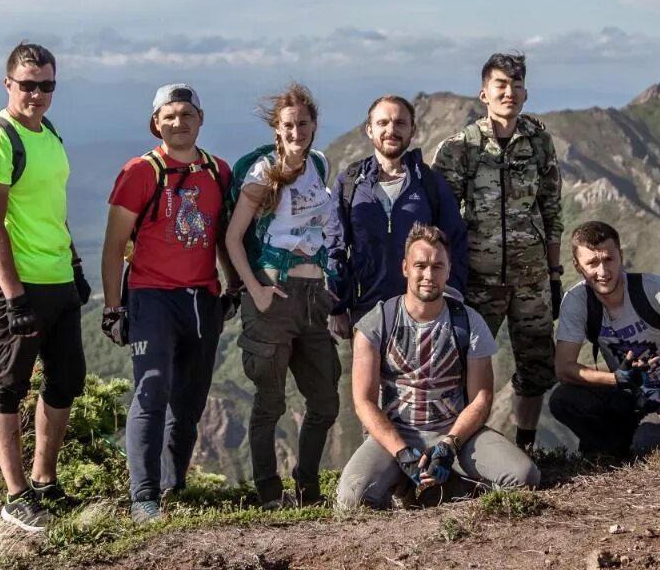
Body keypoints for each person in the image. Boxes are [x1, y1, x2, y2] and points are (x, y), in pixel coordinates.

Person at [100, 84, 236, 523]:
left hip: (203, 298)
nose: (179, 122)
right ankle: (143, 496)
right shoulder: (141, 172)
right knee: (151, 388)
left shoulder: (218, 172)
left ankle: (173, 486)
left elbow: (222, 237)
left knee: (190, 401)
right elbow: (113, 244)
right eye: (170, 115)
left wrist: (231, 287)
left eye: (187, 114)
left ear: (200, 119)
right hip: (151, 296)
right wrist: (113, 307)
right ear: (155, 122)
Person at [0, 41, 90, 532]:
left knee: (66, 381)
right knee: (8, 385)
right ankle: (15, 494)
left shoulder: (49, 133)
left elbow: (52, 207)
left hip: (58, 277)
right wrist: (14, 295)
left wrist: (75, 264)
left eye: (46, 85)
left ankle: (44, 480)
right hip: (17, 284)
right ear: (8, 85)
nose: (37, 94)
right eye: (27, 85)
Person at [337, 224, 539, 509]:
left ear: (448, 270)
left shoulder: (468, 322)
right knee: (352, 498)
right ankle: (405, 482)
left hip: (453, 430)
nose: (428, 275)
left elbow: (482, 397)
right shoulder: (376, 323)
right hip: (396, 432)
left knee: (524, 476)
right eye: (420, 265)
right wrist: (402, 452)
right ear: (405, 267)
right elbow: (363, 401)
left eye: (437, 266)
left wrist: (450, 444)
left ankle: (453, 482)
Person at [433, 52, 562, 451]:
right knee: (463, 367)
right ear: (483, 93)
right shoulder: (460, 149)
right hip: (478, 280)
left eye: (517, 85)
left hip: (531, 278)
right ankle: (459, 449)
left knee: (536, 366)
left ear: (526, 92)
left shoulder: (539, 143)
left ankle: (525, 446)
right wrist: (448, 282)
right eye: (501, 85)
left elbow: (552, 210)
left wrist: (554, 275)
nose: (510, 92)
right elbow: (441, 221)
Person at [224, 83, 341, 508]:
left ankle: (307, 489)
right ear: (277, 129)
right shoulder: (263, 173)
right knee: (270, 403)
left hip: (313, 297)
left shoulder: (319, 166)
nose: (297, 132)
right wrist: (254, 289)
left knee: (325, 400)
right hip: (274, 295)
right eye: (288, 125)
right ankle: (269, 494)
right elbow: (234, 237)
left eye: (303, 124)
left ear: (314, 126)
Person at [550, 221, 660, 458]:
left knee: (648, 441)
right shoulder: (577, 301)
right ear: (578, 266)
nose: (603, 272)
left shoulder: (653, 290)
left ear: (620, 256)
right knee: (563, 400)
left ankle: (649, 442)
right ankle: (617, 449)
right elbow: (564, 369)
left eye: (609, 259)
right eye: (592, 263)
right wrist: (614, 378)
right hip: (630, 392)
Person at [327, 94, 468, 336]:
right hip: (366, 312)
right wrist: (337, 307)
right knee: (367, 375)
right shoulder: (349, 182)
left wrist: (450, 300)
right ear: (369, 130)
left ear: (412, 130)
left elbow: (454, 241)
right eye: (383, 123)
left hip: (423, 312)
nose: (391, 130)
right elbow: (334, 247)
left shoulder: (429, 183)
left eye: (400, 123)